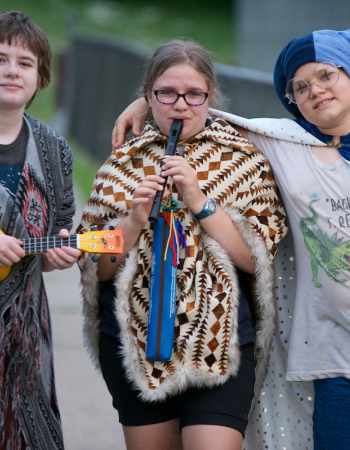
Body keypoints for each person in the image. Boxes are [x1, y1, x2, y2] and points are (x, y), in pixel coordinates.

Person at [113, 29, 350, 450]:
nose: (316, 90)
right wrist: (146, 102)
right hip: (335, 357)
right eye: (300, 86)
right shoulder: (285, 143)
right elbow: (198, 112)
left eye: (327, 75)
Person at [78, 39, 287, 450]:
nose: (180, 105)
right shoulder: (122, 162)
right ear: (147, 97)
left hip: (221, 344)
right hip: (136, 346)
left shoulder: (243, 159)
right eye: (167, 93)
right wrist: (135, 221)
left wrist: (200, 202)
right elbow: (95, 268)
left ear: (211, 96)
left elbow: (255, 259)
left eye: (194, 94)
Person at [0, 11, 80, 449]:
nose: (12, 70)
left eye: (25, 62)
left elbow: (55, 233)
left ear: (40, 77)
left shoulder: (54, 151)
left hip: (25, 339)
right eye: (1, 58)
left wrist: (58, 253)